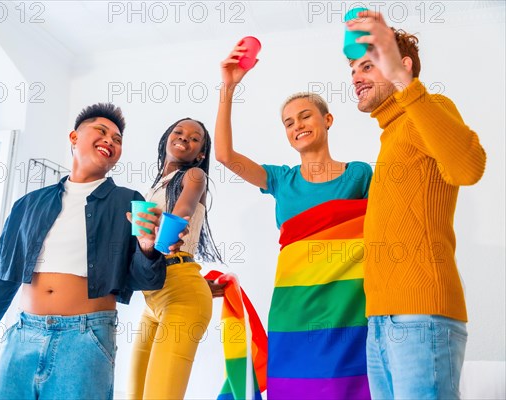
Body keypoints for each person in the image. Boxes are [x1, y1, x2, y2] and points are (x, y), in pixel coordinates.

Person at [0, 103, 180, 400]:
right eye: (101, 131)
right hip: (23, 334)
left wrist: (148, 248)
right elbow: (0, 275)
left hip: (86, 340)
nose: (110, 140)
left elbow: (147, 281)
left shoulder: (130, 203)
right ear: (74, 138)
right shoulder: (29, 204)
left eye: (117, 139)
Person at [215, 43, 373, 399]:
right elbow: (224, 155)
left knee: (347, 390)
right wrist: (229, 86)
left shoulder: (359, 175)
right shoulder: (280, 180)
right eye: (289, 122)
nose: (297, 125)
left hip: (347, 311)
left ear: (327, 120)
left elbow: (383, 229)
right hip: (292, 312)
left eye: (305, 116)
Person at [346, 10, 486, 399]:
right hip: (381, 321)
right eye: (353, 69)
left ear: (401, 65)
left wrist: (406, 84)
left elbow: (469, 167)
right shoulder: (391, 135)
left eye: (368, 66)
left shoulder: (429, 109)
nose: (356, 77)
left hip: (421, 317)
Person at [127, 117, 223, 400]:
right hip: (152, 297)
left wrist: (161, 239)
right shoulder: (154, 188)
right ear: (167, 138)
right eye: (179, 132)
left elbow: (181, 215)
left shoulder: (194, 176)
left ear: (201, 153)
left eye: (196, 138)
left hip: (181, 293)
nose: (185, 138)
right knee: (135, 394)